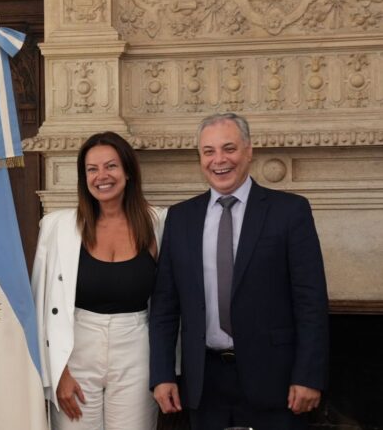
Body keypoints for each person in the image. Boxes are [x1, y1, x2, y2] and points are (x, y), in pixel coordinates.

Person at [149, 112, 329, 429]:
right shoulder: (180, 218)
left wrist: (308, 375)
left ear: (248, 151)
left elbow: (310, 302)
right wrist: (162, 374)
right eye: (209, 151)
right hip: (204, 382)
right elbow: (165, 305)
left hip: (276, 381)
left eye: (229, 148)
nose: (219, 160)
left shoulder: (290, 212)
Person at [31, 131, 167, 430]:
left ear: (128, 171)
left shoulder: (158, 223)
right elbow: (40, 308)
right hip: (75, 349)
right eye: (92, 169)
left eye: (111, 166)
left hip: (137, 348)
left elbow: (170, 302)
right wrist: (57, 372)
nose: (101, 176)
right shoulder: (57, 227)